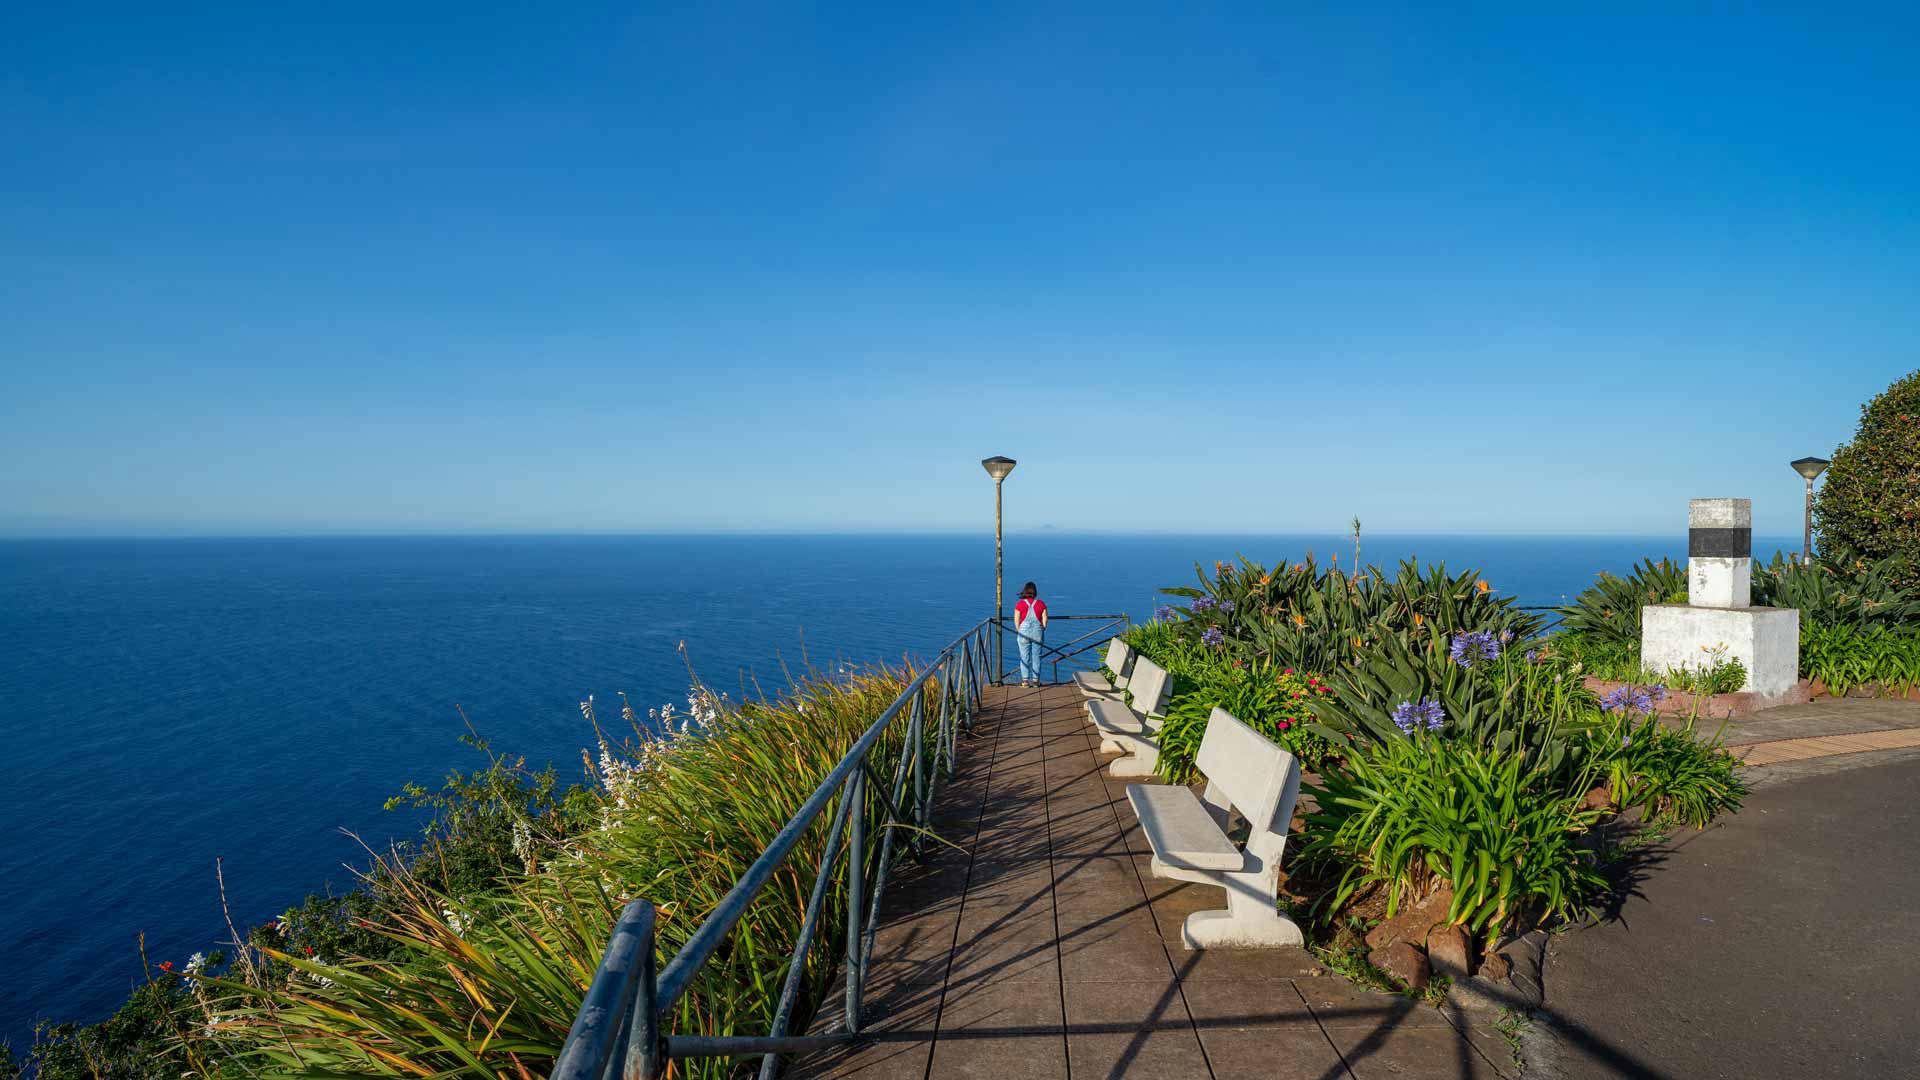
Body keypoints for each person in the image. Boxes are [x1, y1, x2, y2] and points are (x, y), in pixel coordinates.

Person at [1014, 581, 1048, 686]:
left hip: (1023, 632)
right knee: (1036, 656)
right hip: (1037, 632)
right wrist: (1044, 627)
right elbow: (1045, 618)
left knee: (1024, 657)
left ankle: (1025, 681)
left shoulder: (1020, 604)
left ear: (1025, 591)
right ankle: (1035, 681)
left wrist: (1019, 630)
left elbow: (1016, 619)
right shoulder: (1041, 603)